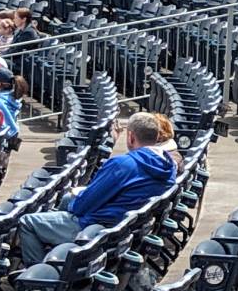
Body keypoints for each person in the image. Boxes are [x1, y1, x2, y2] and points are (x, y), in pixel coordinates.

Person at [19, 111, 179, 266]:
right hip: (125, 226)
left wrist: (72, 207)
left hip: (98, 227)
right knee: (68, 199)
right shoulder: (168, 165)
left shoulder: (122, 164)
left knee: (27, 221)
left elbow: (84, 205)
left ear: (131, 137)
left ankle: (37, 276)